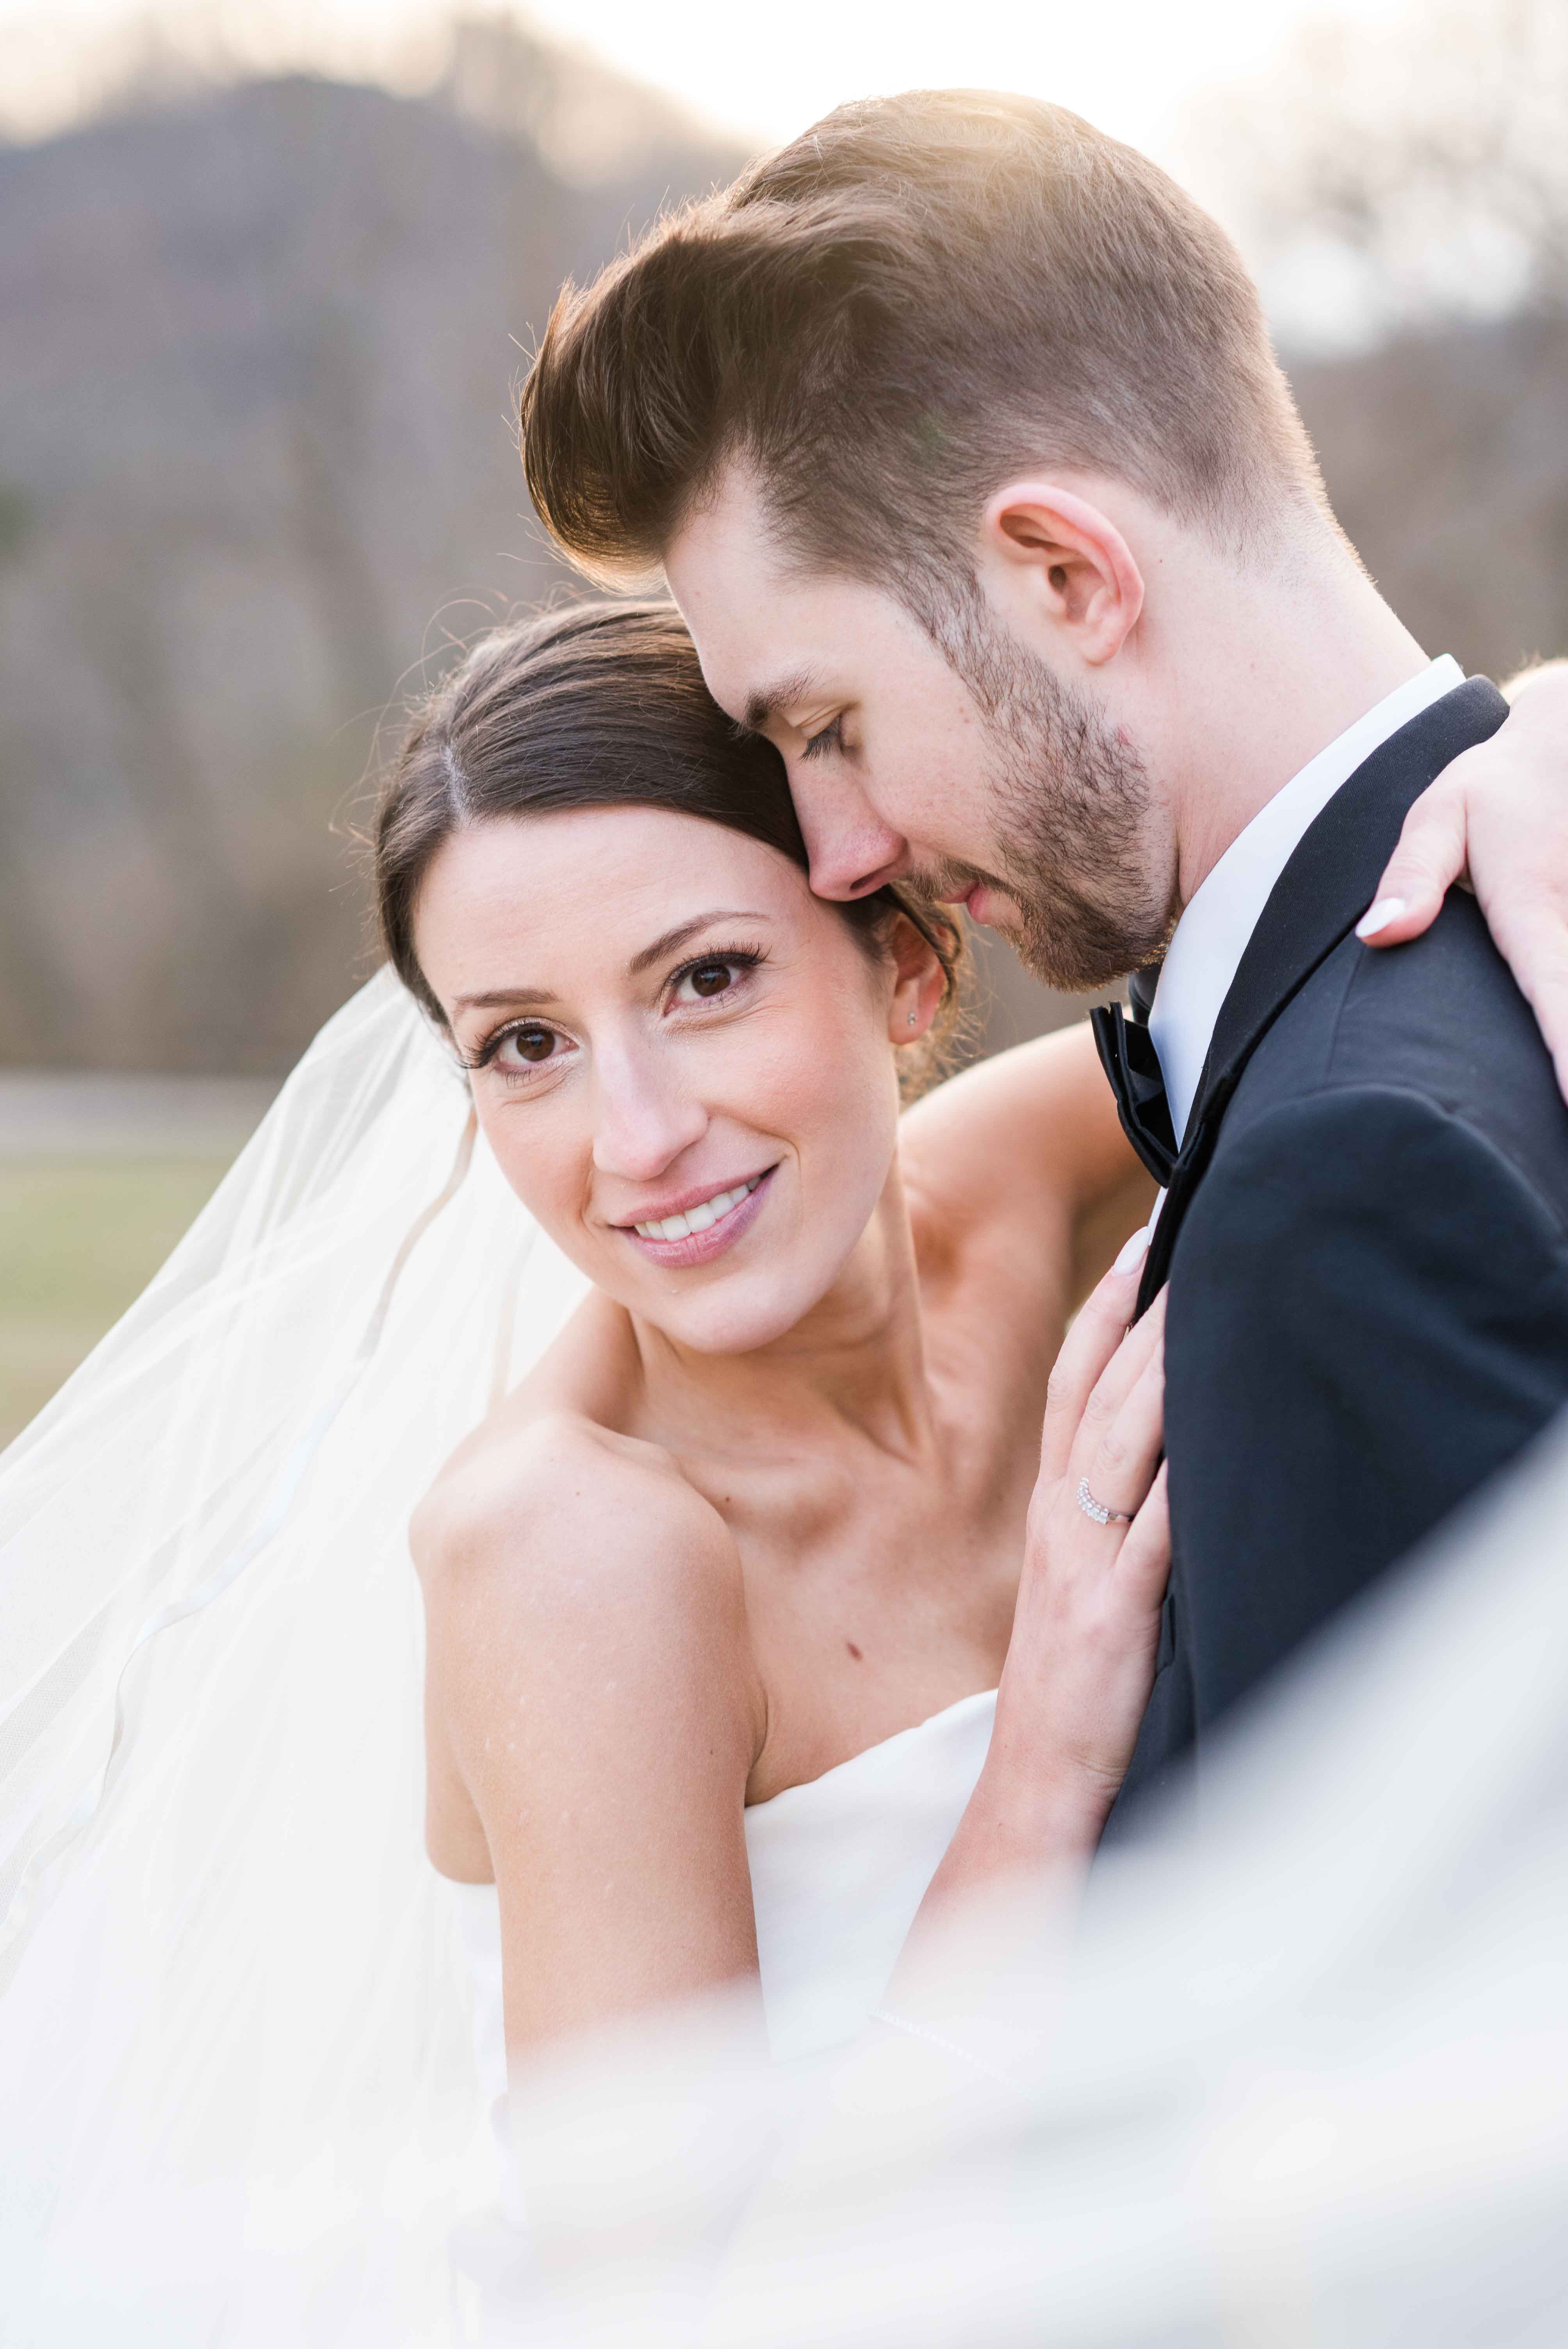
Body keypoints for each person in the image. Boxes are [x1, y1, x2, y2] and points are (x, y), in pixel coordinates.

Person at [517, 87, 1568, 1829]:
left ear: (1066, 576)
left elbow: (1391, 2066)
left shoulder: (1345, 1177)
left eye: (828, 723)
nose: (838, 852)